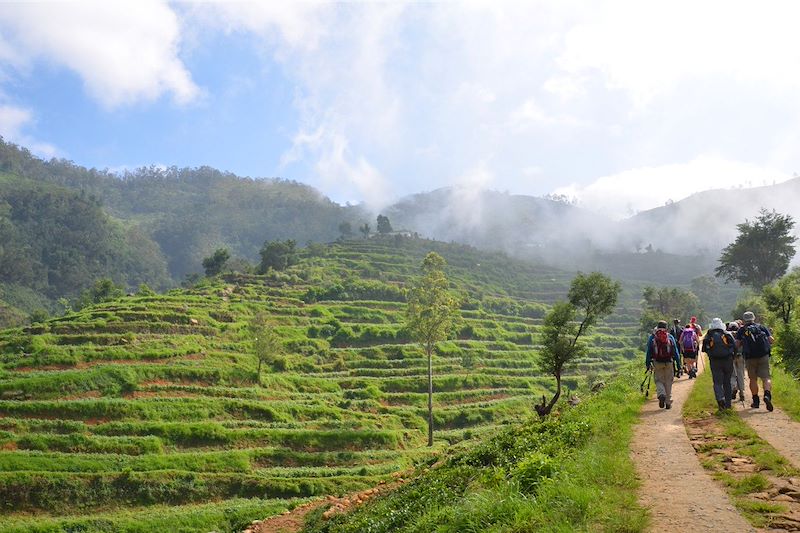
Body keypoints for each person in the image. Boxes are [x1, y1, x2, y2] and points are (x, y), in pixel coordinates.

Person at [735, 311, 774, 411]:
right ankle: (767, 395)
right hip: (763, 356)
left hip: (750, 357)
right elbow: (771, 340)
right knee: (766, 378)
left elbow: (737, 345)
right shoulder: (761, 327)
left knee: (753, 379)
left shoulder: (742, 330)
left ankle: (756, 401)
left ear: (744, 320)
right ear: (754, 318)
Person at [645, 320, 681, 409]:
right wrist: (678, 365)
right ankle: (668, 402)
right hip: (669, 362)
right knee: (668, 381)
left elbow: (649, 351)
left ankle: (661, 394)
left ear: (657, 327)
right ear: (666, 327)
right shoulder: (670, 336)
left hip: (657, 362)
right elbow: (676, 352)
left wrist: (648, 363)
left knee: (658, 380)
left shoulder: (652, 337)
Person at [703, 318, 736, 409]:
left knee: (717, 382)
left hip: (715, 361)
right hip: (727, 361)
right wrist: (732, 357)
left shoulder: (709, 335)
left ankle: (720, 399)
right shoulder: (726, 334)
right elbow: (734, 346)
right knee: (727, 382)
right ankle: (728, 404)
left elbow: (704, 349)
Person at [727, 321, 745, 403]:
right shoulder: (740, 333)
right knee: (741, 374)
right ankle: (741, 393)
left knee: (732, 375)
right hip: (740, 356)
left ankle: (732, 389)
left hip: (731, 357)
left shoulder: (727, 334)